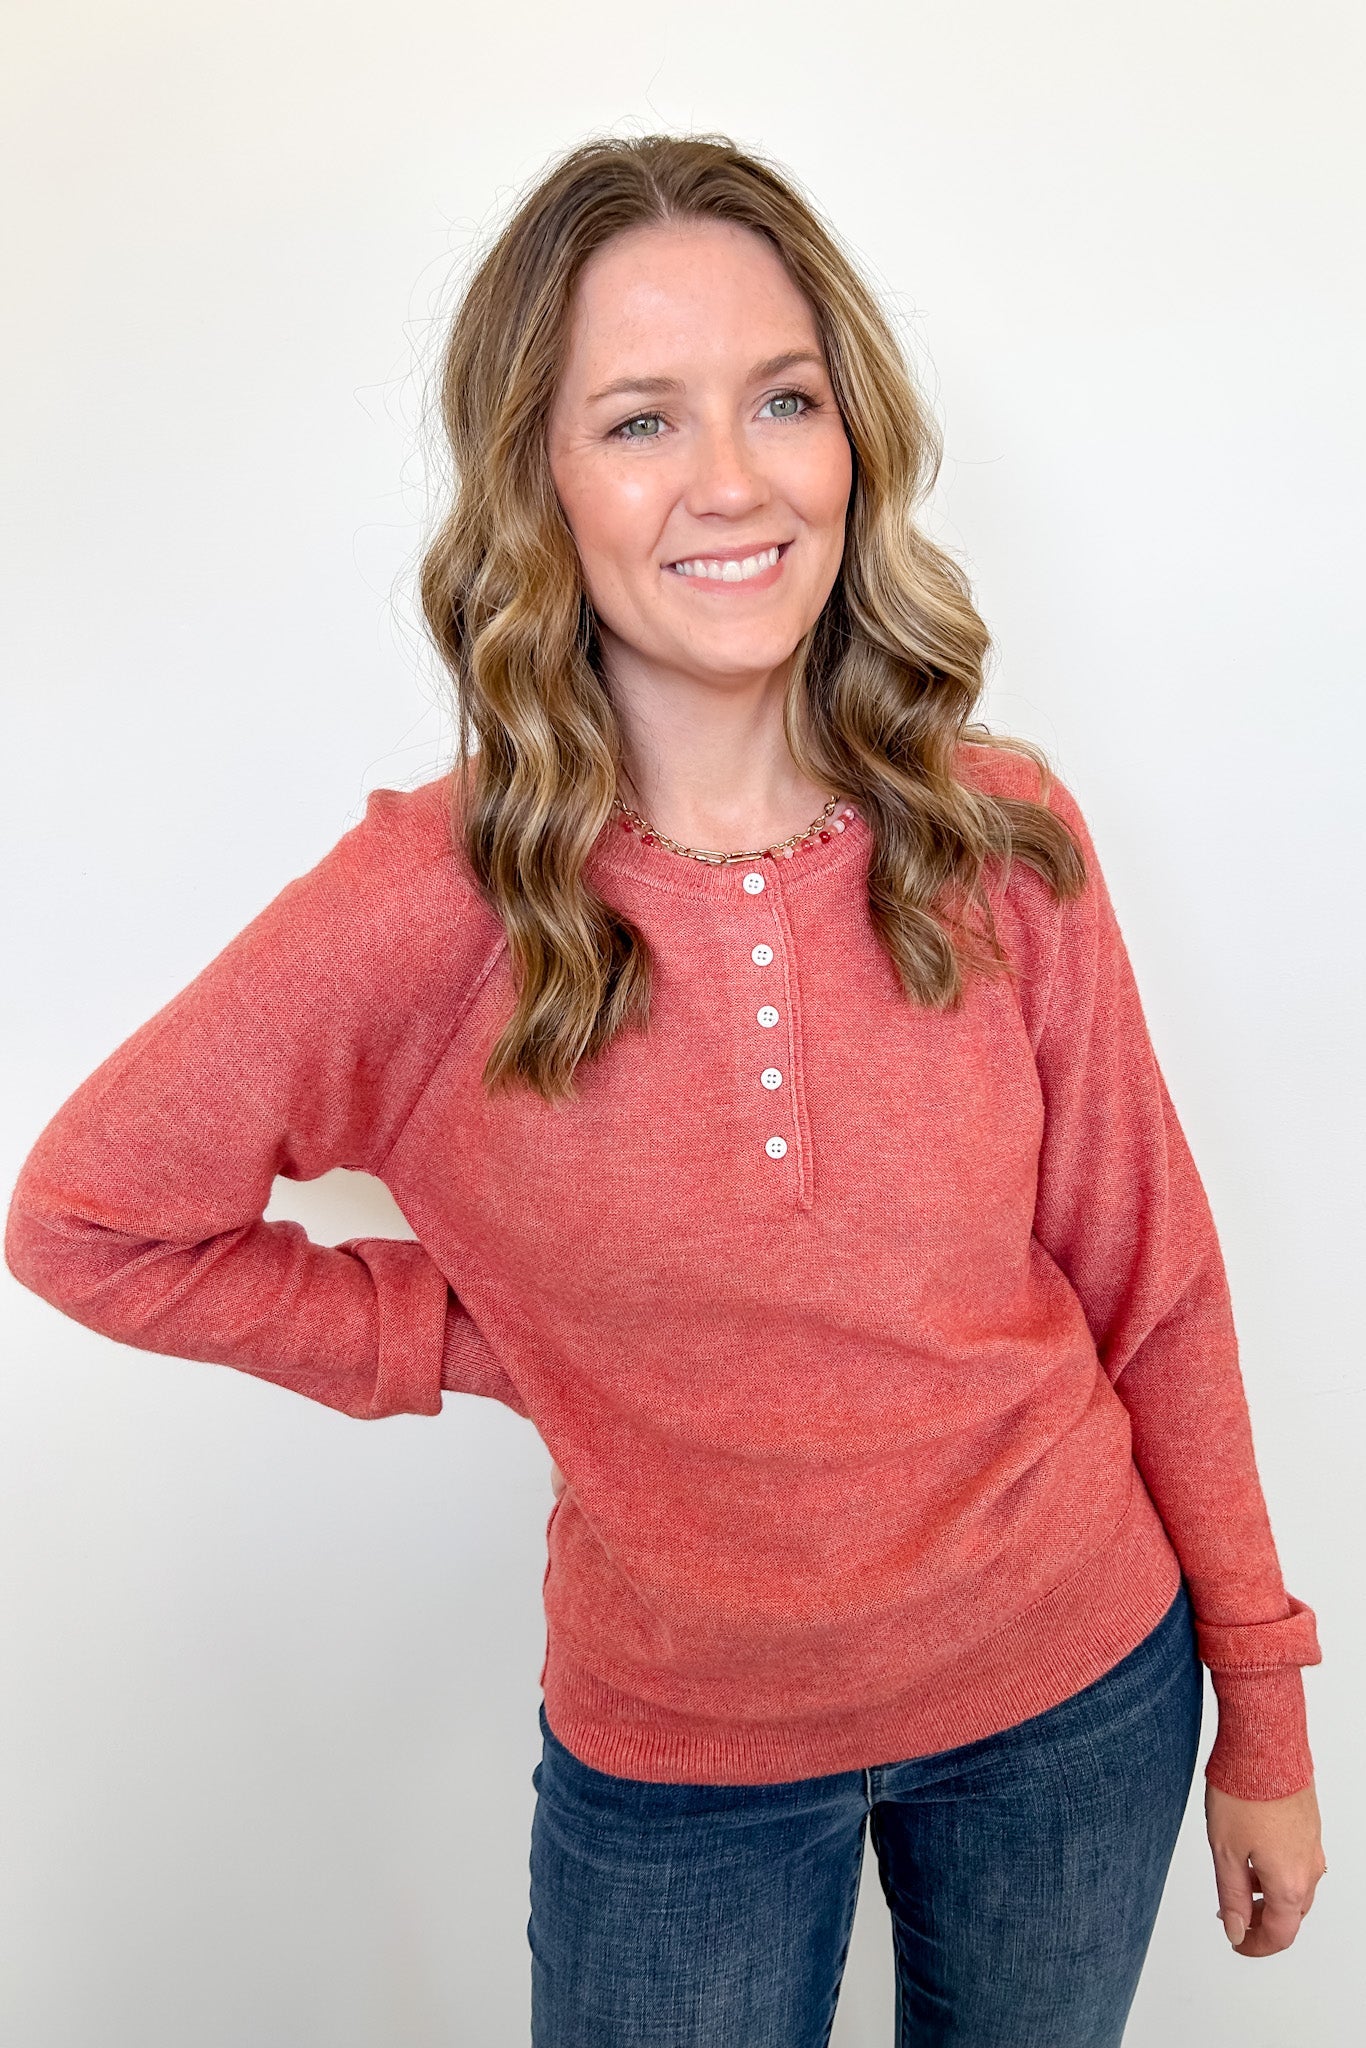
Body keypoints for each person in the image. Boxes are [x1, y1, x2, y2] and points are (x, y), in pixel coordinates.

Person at [5, 132, 1327, 2046]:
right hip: (685, 1769)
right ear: (536, 481)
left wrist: (1261, 1704)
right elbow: (89, 1223)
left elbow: (1156, 1285)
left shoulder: (998, 836)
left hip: (1076, 1701)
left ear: (848, 439)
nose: (731, 479)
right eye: (638, 419)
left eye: (781, 399)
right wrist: (481, 1334)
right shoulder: (431, 902)